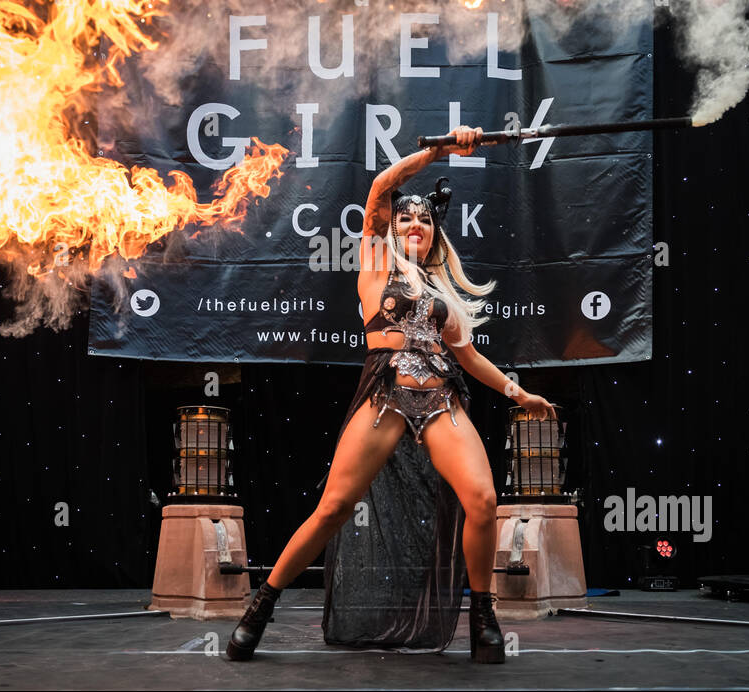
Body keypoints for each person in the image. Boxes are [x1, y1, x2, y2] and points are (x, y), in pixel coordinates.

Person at [227, 125, 557, 664]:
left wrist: (519, 394)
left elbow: (467, 357)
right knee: (333, 507)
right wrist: (440, 151)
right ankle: (260, 607)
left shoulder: (442, 289)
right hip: (385, 394)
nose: (414, 224)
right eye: (407, 216)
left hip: (440, 398)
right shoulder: (375, 261)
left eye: (424, 219)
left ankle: (483, 616)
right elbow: (382, 186)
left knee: (483, 500)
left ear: (434, 234)